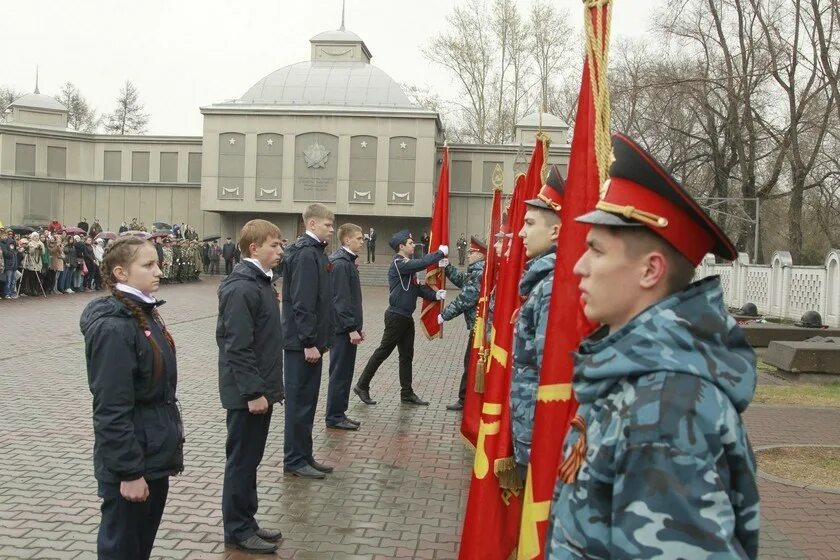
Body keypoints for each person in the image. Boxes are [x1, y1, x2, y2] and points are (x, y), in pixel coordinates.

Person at [545, 134, 759, 558]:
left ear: (650, 270)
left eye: (596, 250)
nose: (577, 266)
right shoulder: (635, 379)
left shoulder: (665, 413)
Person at [80, 236, 183, 560]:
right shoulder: (115, 327)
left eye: (158, 263)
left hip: (151, 451)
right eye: (148, 265)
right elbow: (111, 409)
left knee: (138, 547)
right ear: (121, 272)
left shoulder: (144, 312)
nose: (159, 271)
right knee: (122, 548)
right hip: (134, 459)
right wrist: (129, 472)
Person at [217, 219, 285, 554]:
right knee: (242, 461)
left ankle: (248, 519)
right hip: (248, 395)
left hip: (261, 390)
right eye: (274, 245)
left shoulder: (259, 283)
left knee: (251, 459)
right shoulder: (242, 287)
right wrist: (254, 392)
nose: (280, 251)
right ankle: (237, 529)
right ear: (254, 248)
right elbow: (237, 346)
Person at [510, 166, 564, 474]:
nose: (520, 232)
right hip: (529, 433)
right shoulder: (542, 280)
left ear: (555, 231)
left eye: (530, 223)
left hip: (538, 441)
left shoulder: (551, 287)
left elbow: (549, 376)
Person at [354, 230, 448, 406]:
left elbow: (416, 289)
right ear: (401, 246)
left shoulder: (408, 266)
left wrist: (435, 295)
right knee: (383, 352)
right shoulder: (398, 264)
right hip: (395, 316)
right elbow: (422, 263)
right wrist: (440, 253)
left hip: (405, 317)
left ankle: (407, 393)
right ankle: (362, 385)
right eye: (410, 243)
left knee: (406, 356)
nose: (413, 245)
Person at [282, 204, 335, 479]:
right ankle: (293, 459)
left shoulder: (315, 252)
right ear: (312, 223)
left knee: (308, 403)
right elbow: (303, 303)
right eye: (327, 224)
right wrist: (309, 342)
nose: (332, 229)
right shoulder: (305, 255)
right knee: (298, 403)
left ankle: (304, 455)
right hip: (301, 346)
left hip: (310, 343)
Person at [437, 237, 486, 411]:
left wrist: (444, 315)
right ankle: (468, 398)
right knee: (471, 362)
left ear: (480, 254)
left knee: (470, 362)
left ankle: (465, 399)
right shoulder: (477, 270)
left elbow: (465, 299)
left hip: (479, 327)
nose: (469, 254)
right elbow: (462, 280)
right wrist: (447, 266)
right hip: (478, 325)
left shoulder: (480, 273)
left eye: (472, 252)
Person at [326, 223, 366, 431]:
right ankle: (333, 416)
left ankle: (339, 413)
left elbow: (351, 300)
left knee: (345, 372)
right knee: (339, 373)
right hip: (341, 330)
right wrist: (351, 327)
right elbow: (340, 300)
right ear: (347, 240)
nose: (362, 241)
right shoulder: (341, 264)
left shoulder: (347, 262)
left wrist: (358, 327)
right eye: (358, 238)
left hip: (347, 328)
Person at [1, 230, 18, 299]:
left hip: (14, 264)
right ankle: (7, 293)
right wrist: (12, 251)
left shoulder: (11, 242)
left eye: (6, 235)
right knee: (8, 280)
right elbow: (6, 254)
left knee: (13, 280)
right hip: (8, 264)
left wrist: (14, 249)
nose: (5, 236)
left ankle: (12, 293)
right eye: (3, 235)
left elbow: (16, 252)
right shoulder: (1, 243)